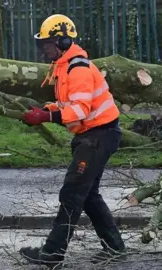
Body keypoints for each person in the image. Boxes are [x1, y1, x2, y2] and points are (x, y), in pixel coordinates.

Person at [19, 14, 126, 268]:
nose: (42, 49)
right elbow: (69, 103)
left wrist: (46, 116)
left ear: (63, 41)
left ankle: (53, 253)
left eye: (46, 43)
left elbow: (80, 111)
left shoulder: (78, 68)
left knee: (72, 193)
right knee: (87, 195)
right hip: (94, 135)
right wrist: (47, 109)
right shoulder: (66, 66)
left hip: (98, 135)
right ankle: (115, 247)